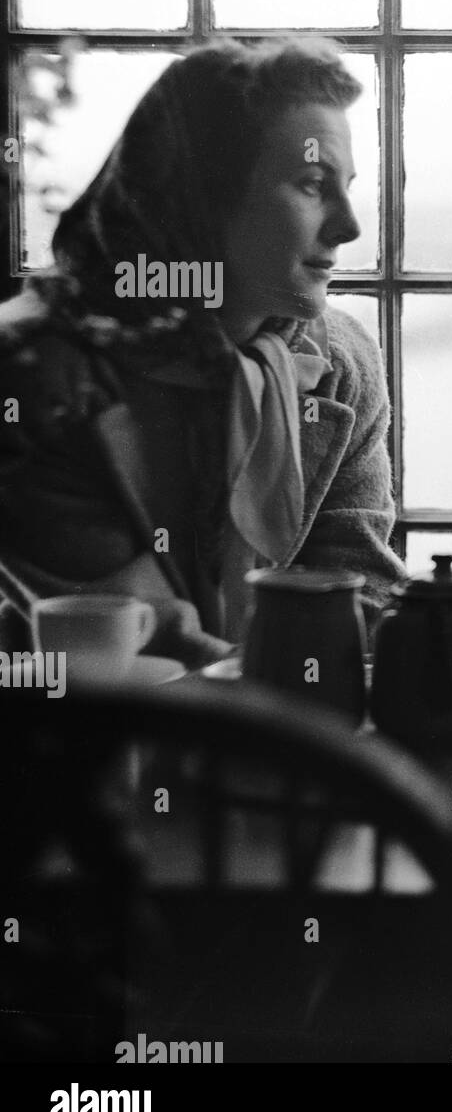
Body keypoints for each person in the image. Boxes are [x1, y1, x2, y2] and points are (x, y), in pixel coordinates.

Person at [0, 38, 406, 669]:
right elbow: (147, 640)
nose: (349, 225)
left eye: (346, 187)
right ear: (198, 196)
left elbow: (358, 599)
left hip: (299, 743)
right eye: (311, 184)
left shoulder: (339, 362)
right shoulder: (36, 368)